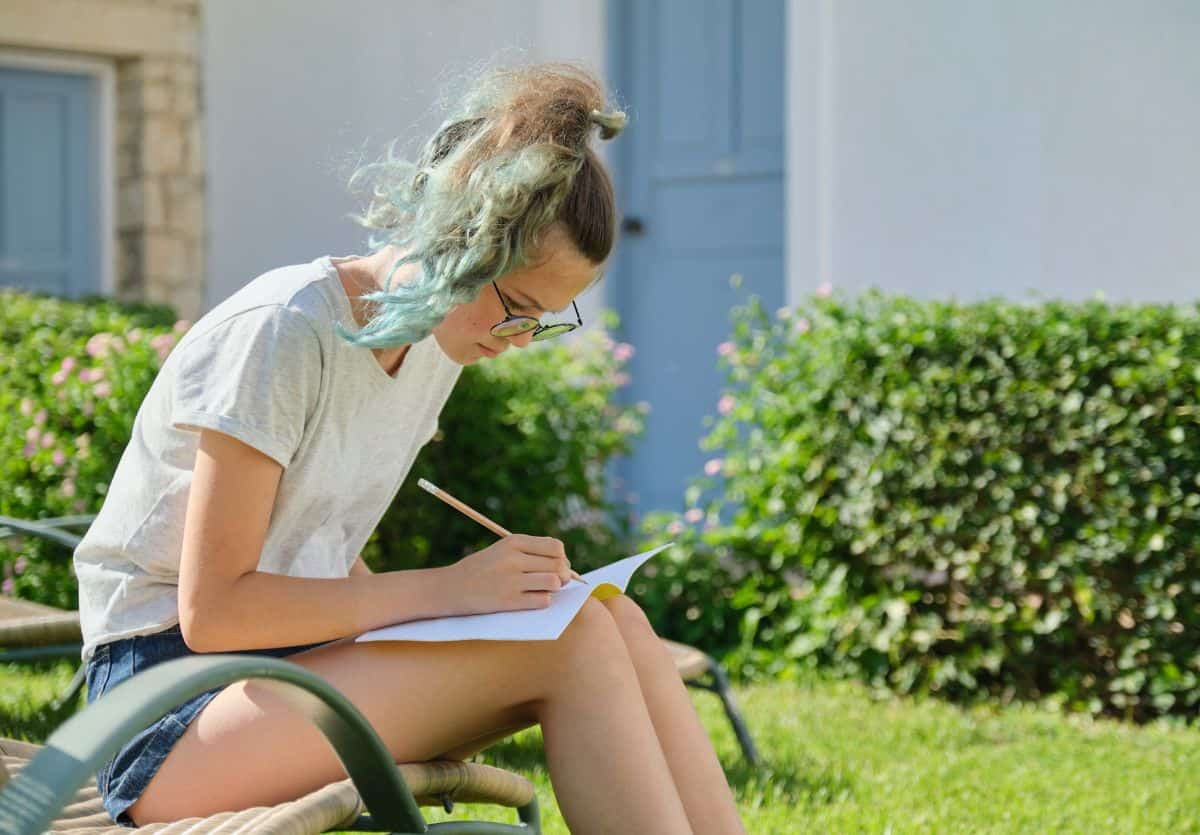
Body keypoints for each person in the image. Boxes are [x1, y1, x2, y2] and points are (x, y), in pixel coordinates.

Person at [73, 62, 746, 835]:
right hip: (166, 710)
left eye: (546, 320)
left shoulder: (432, 345)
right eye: (517, 309)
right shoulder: (283, 331)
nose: (520, 340)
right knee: (572, 640)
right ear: (457, 240)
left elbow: (314, 541)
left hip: (281, 674)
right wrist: (449, 592)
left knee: (607, 614)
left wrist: (494, 601)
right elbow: (215, 611)